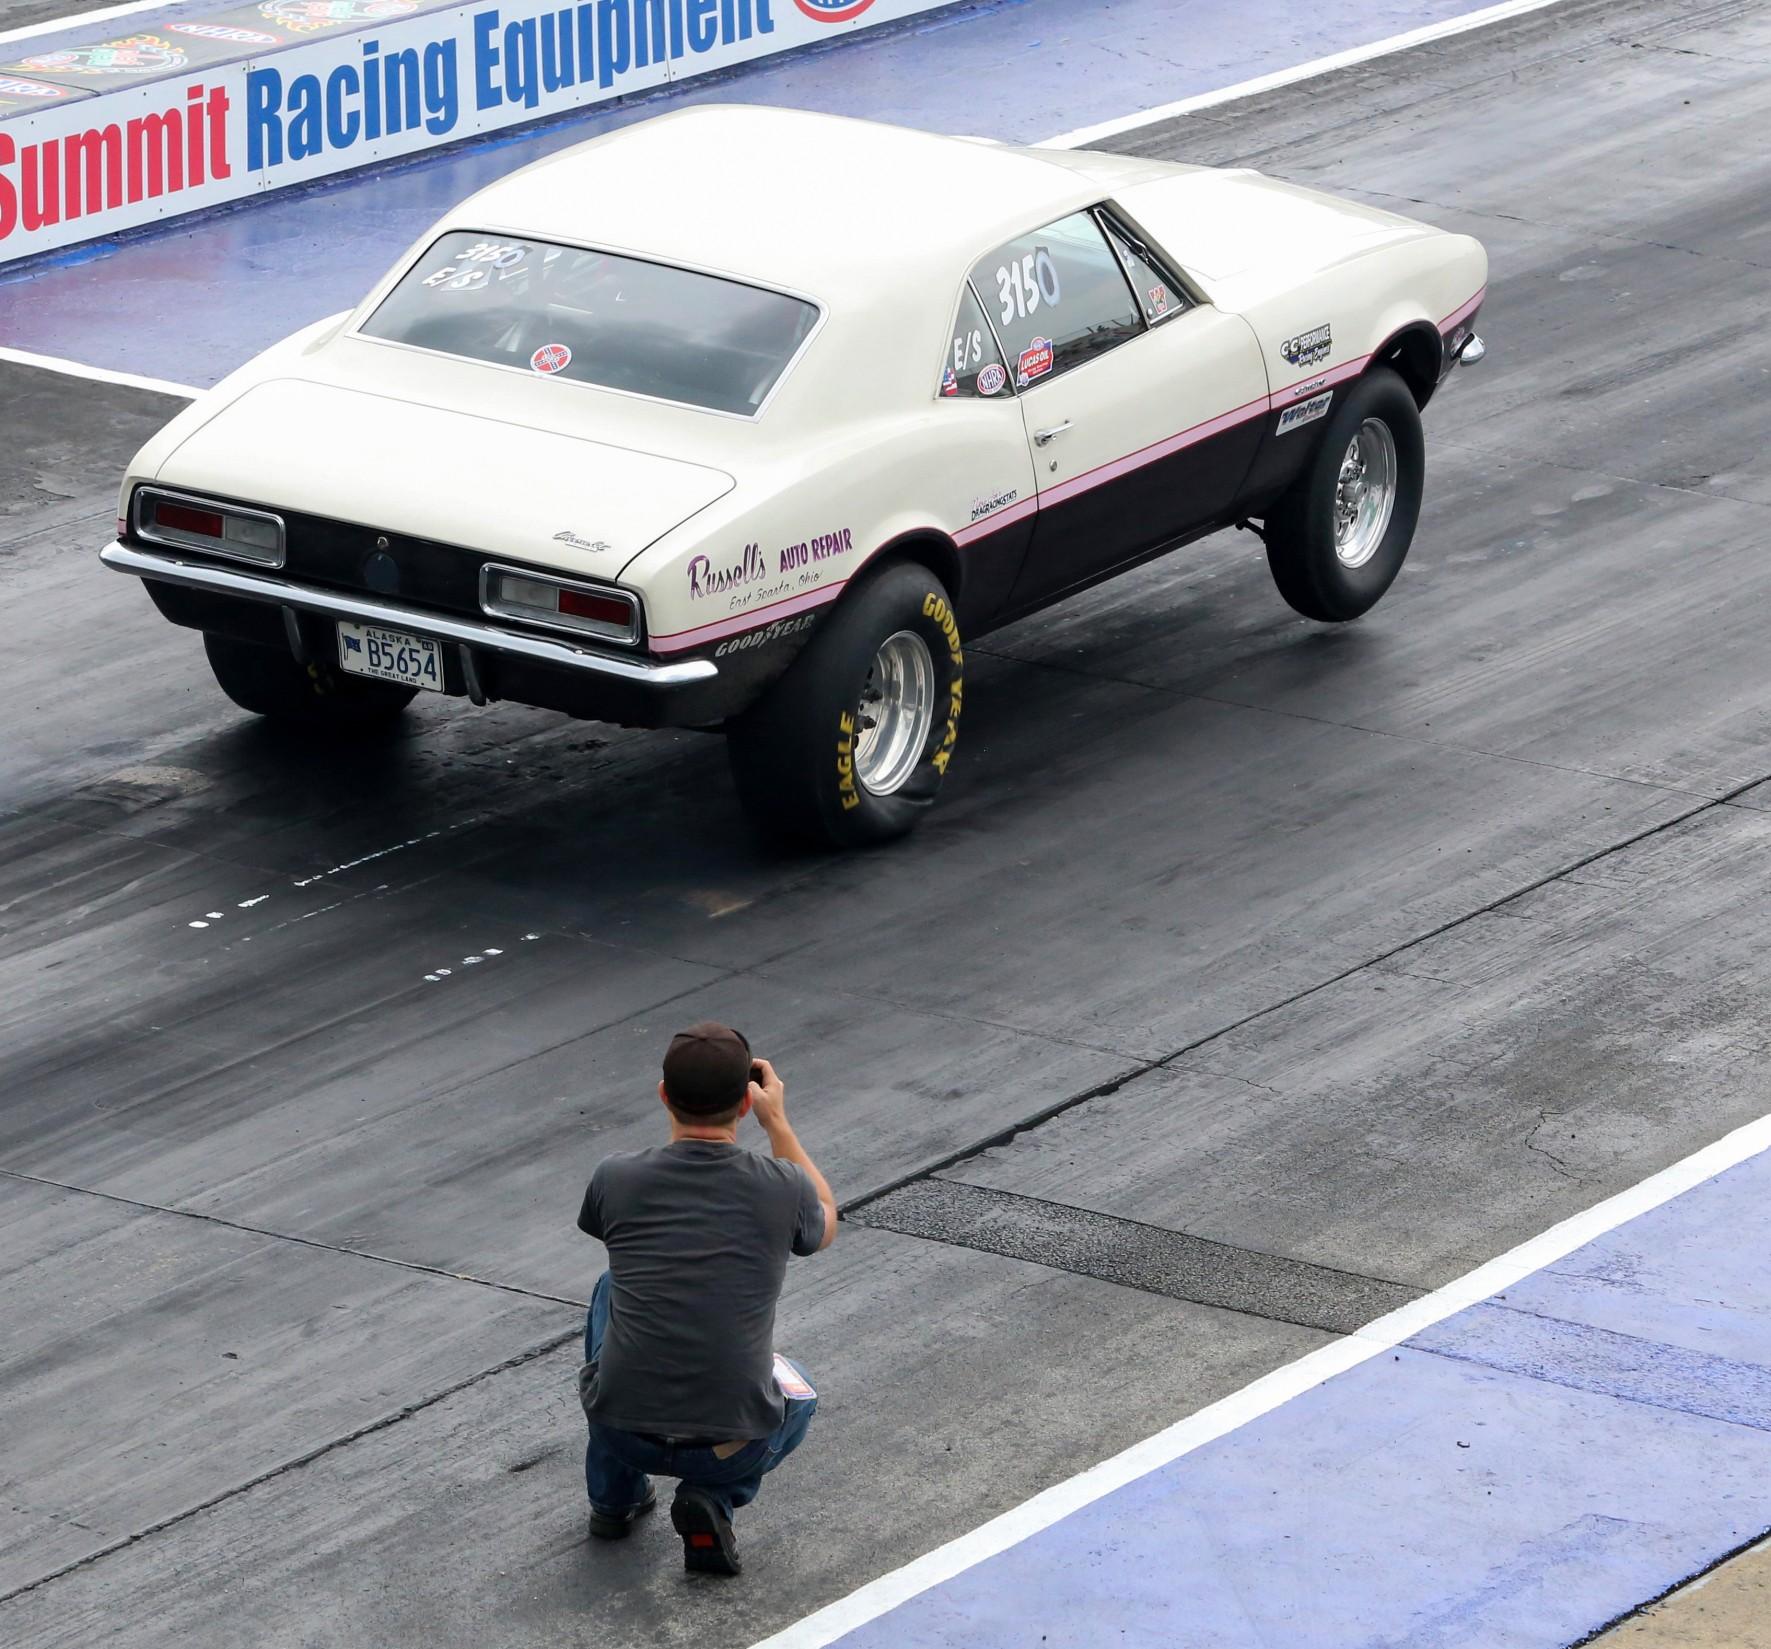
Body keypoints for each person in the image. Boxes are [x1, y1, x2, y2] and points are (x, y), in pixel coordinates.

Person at [576, 1022, 838, 1576]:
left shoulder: (614, 1177)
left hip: (623, 1431)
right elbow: (825, 1222)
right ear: (745, 1103)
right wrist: (776, 1121)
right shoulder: (783, 1186)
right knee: (802, 1389)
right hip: (728, 1444)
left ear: (663, 1094)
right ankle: (712, 1498)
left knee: (610, 1287)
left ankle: (613, 1499)